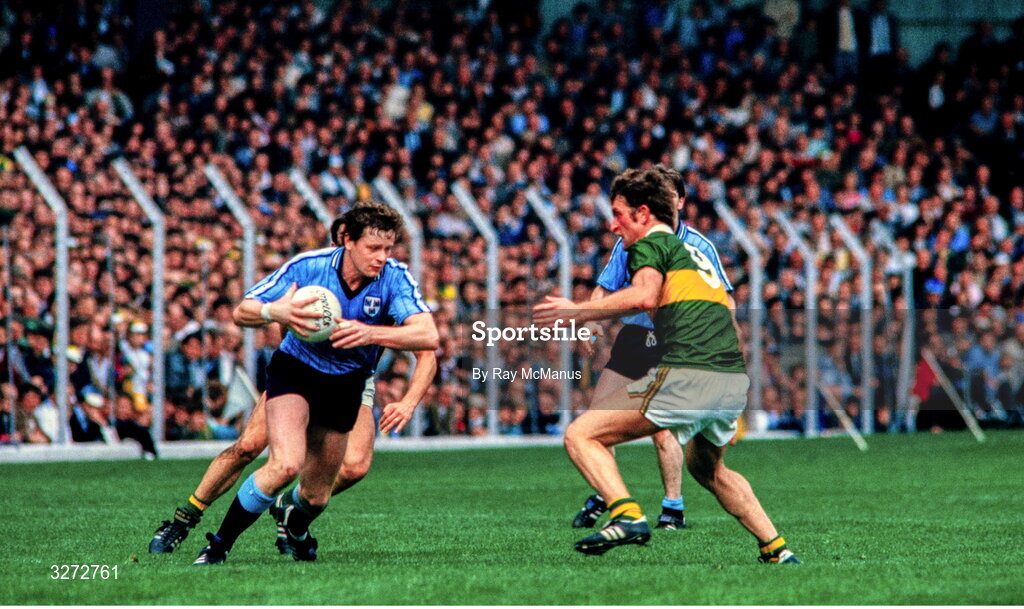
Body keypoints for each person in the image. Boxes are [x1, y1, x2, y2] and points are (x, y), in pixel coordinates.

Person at [534, 169, 798, 563]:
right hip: (727, 375)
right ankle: (777, 549)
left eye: (618, 213)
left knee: (581, 434)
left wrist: (579, 310)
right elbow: (726, 310)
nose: (612, 223)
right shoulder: (692, 249)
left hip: (690, 370)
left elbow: (643, 296)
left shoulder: (650, 243)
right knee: (709, 470)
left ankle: (626, 515)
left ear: (642, 213)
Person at [150, 213, 437, 557]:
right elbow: (245, 311)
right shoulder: (310, 268)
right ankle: (184, 519)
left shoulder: (393, 279)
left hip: (352, 378)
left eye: (387, 248)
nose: (382, 256)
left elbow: (428, 344)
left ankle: (292, 509)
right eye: (374, 247)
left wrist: (405, 400)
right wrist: (277, 312)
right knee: (250, 447)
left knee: (354, 467)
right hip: (299, 369)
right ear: (346, 242)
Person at [572, 165, 734, 531]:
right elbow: (607, 285)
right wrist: (592, 322)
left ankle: (672, 507)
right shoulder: (629, 241)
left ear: (680, 201)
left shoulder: (698, 246)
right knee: (598, 415)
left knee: (663, 429)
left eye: (673, 194)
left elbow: (724, 299)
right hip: (633, 339)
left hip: (672, 342)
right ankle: (607, 494)